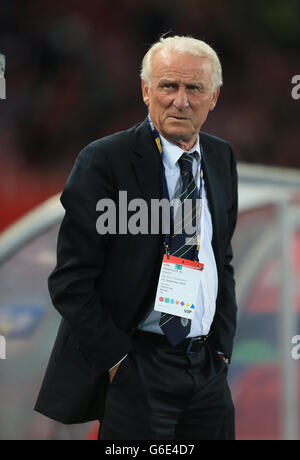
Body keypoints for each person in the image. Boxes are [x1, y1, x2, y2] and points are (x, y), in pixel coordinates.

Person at [35, 35, 238, 440]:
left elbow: (222, 259)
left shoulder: (220, 157)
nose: (180, 100)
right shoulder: (104, 160)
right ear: (146, 90)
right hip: (139, 367)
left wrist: (221, 349)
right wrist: (119, 362)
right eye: (168, 86)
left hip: (207, 370)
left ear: (213, 96)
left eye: (194, 88)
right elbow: (70, 282)